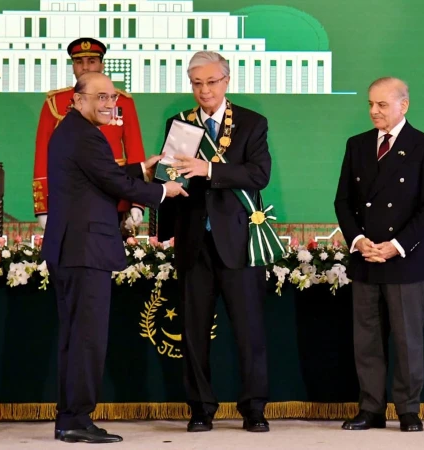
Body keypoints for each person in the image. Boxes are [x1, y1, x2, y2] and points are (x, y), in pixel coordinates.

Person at [41, 72, 187, 444]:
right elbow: (113, 183)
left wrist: (141, 169)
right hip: (84, 249)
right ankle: (76, 419)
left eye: (112, 97)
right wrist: (163, 191)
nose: (109, 104)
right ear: (78, 100)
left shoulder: (74, 132)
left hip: (73, 248)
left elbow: (99, 175)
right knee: (86, 339)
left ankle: (70, 417)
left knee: (76, 337)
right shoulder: (85, 135)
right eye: (101, 97)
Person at [157, 51, 272, 433]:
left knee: (249, 330)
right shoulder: (180, 123)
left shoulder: (251, 123)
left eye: (211, 82)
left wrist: (208, 168)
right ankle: (200, 408)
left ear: (226, 81)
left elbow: (259, 174)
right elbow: (168, 178)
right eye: (197, 84)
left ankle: (254, 408)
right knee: (193, 331)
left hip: (238, 241)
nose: (204, 90)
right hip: (193, 242)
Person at [334, 77, 424, 432]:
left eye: (381, 104)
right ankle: (371, 408)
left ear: (403, 105)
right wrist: (358, 240)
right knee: (366, 339)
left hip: (406, 258)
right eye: (370, 104)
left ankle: (408, 409)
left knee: (407, 339)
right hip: (366, 256)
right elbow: (343, 201)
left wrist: (396, 246)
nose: (374, 111)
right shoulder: (357, 145)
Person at [33, 37, 146, 233]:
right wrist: (43, 207)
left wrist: (137, 203)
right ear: (72, 66)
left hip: (114, 194)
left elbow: (135, 153)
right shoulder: (55, 102)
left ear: (102, 65)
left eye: (92, 61)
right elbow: (43, 154)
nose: (85, 67)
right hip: (69, 196)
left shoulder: (123, 102)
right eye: (79, 62)